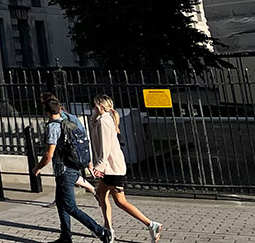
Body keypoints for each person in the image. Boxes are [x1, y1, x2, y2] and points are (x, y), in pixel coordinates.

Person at [34, 92, 110, 243]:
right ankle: (65, 237)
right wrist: (88, 163)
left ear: (47, 112)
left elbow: (49, 154)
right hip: (73, 167)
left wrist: (38, 167)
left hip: (64, 171)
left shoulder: (53, 127)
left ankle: (101, 232)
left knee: (70, 207)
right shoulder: (70, 122)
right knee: (61, 203)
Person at [91, 95, 163, 243]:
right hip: (111, 167)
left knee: (120, 201)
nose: (92, 108)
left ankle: (150, 224)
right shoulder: (103, 119)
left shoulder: (104, 121)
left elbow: (105, 148)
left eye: (94, 105)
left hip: (112, 168)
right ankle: (108, 228)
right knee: (101, 193)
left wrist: (99, 167)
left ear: (99, 105)